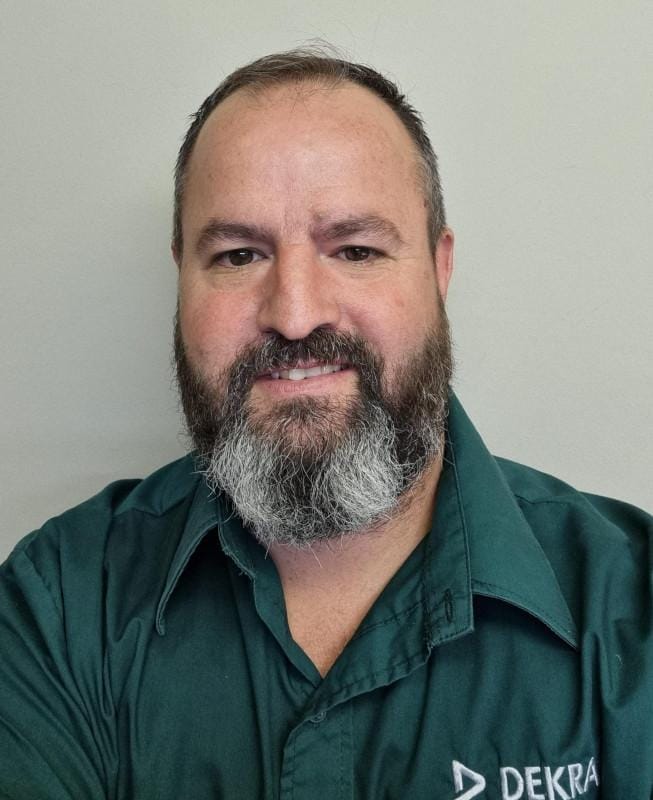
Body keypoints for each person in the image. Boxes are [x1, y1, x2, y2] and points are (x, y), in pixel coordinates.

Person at [0, 47, 651, 800]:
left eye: (356, 249)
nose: (296, 313)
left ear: (439, 270)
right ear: (182, 276)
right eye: (238, 255)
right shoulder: (59, 604)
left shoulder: (630, 604)